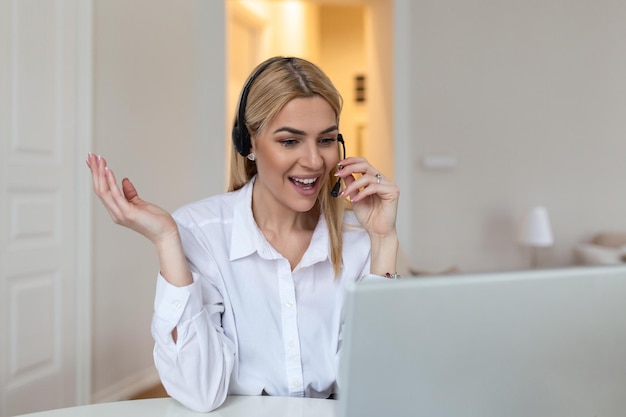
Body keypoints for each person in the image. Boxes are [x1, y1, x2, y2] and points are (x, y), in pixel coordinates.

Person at [86, 56, 400, 412]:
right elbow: (198, 392)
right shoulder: (200, 232)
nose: (314, 161)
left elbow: (374, 383)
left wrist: (383, 242)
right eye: (290, 142)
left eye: (326, 140)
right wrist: (168, 242)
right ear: (248, 142)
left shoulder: (359, 242)